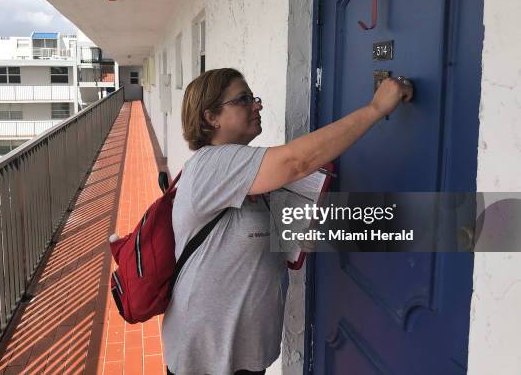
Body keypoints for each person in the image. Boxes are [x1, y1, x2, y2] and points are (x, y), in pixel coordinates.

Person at [162, 68, 413, 375]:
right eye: (243, 99)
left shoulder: (243, 169)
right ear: (211, 117)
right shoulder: (210, 164)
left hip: (241, 349)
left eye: (254, 98)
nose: (257, 105)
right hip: (203, 353)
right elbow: (297, 162)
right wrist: (376, 108)